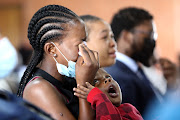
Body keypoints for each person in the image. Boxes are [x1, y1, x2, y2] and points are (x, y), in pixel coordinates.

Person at [17, 5, 99, 120]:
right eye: (79, 45)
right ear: (52, 49)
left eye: (84, 43)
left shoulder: (68, 79)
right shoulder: (38, 89)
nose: (84, 50)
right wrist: (85, 85)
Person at [104, 7, 162, 116]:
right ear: (126, 36)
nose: (152, 42)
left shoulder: (133, 69)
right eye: (149, 35)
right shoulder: (119, 79)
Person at [73, 68, 143, 120]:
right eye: (96, 81)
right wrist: (98, 97)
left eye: (108, 77)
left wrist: (98, 97)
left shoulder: (129, 109)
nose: (108, 80)